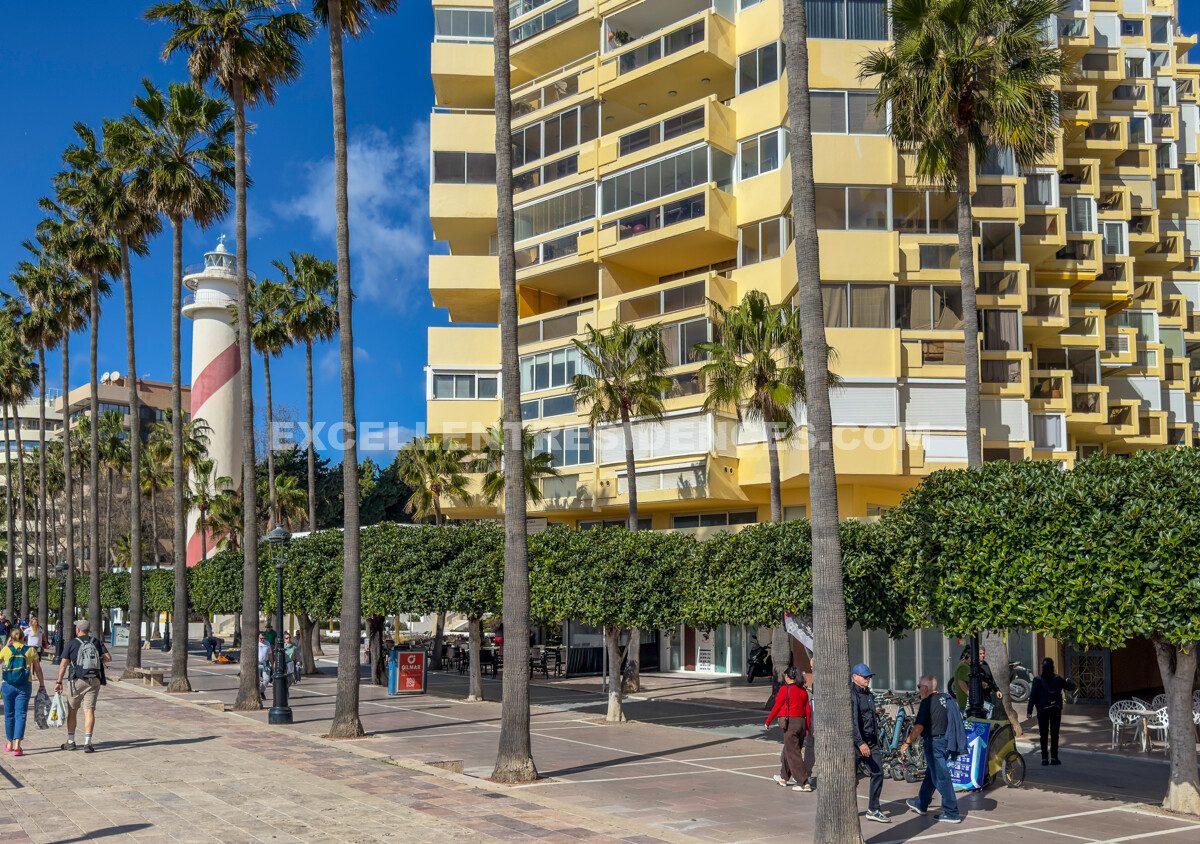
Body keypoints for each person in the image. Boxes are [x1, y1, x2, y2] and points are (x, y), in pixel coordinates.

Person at [902, 675, 962, 824]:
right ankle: (921, 804)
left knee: (942, 778)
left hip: (934, 744)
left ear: (925, 688)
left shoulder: (927, 702)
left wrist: (907, 742)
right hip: (946, 742)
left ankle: (951, 812)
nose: (919, 690)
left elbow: (919, 727)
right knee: (932, 775)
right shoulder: (946, 700)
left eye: (919, 687)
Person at [54, 619, 111, 753]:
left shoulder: (72, 643)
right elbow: (108, 658)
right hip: (94, 680)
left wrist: (59, 682)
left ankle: (71, 741)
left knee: (72, 710)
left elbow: (63, 664)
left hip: (76, 681)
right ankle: (87, 743)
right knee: (89, 711)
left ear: (78, 630)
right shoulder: (96, 642)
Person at [850, 663, 889, 824]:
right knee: (850, 778)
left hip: (871, 741)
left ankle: (873, 809)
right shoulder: (852, 694)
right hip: (856, 743)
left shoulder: (868, 694)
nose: (868, 679)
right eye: (865, 676)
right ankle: (846, 809)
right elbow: (852, 721)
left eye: (869, 677)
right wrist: (860, 743)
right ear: (855, 677)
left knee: (878, 772)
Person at [766, 666, 813, 792]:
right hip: (802, 723)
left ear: (787, 676)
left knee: (794, 753)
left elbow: (777, 706)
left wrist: (768, 721)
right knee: (790, 749)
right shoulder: (803, 690)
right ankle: (783, 777)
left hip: (790, 724)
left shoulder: (785, 689)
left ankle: (804, 782)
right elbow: (808, 710)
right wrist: (807, 727)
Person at [2, 627, 46, 756]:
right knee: (21, 714)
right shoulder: (30, 650)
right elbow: (37, 668)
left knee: (9, 714)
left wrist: (6, 646)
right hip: (24, 685)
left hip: (7, 685)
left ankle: (9, 743)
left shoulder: (6, 650)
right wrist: (42, 684)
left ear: (11, 638)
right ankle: (17, 745)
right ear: (23, 638)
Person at [1027, 657, 1077, 766]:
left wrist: (1029, 711)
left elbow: (1033, 696)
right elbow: (1071, 687)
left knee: (1043, 734)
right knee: (1054, 734)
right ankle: (1054, 758)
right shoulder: (1057, 679)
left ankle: (1044, 758)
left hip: (1042, 710)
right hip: (1055, 709)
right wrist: (1069, 681)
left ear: (1043, 668)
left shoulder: (1037, 680)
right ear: (1052, 667)